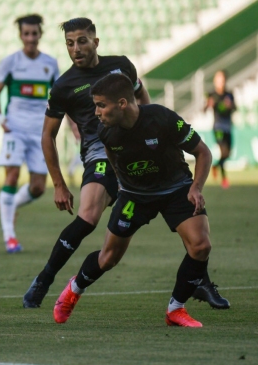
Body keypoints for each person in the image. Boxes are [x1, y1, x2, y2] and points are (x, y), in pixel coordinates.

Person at [22, 17, 228, 310]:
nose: (76, 49)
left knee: (180, 204)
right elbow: (47, 135)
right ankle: (44, 279)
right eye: (69, 43)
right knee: (88, 217)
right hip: (101, 150)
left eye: (82, 41)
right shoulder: (64, 86)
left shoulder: (121, 66)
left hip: (140, 144)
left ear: (96, 41)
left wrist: (153, 130)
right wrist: (58, 184)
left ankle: (200, 281)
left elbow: (141, 101)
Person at [53, 73, 218, 327]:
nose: (96, 112)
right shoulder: (106, 131)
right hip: (134, 196)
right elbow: (111, 155)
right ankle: (75, 288)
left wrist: (196, 188)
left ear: (122, 103)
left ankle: (176, 309)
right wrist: (122, 183)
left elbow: (203, 152)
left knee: (201, 246)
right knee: (108, 258)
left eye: (101, 105)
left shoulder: (163, 119)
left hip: (176, 189)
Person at [0, 14, 60, 253]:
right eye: (26, 34)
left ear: (40, 34)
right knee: (11, 177)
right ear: (20, 36)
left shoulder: (50, 64)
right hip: (15, 129)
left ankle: (12, 206)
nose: (31, 38)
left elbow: (60, 97)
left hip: (40, 131)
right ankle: (10, 236)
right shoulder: (10, 62)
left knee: (39, 187)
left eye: (34, 33)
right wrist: (2, 120)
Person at [203, 69, 235, 189]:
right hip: (218, 128)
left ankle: (216, 165)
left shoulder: (229, 94)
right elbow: (204, 109)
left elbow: (234, 108)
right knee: (224, 152)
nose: (220, 82)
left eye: (222, 79)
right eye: (218, 79)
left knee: (228, 154)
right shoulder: (211, 94)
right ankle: (224, 179)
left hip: (228, 127)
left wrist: (230, 105)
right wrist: (208, 104)